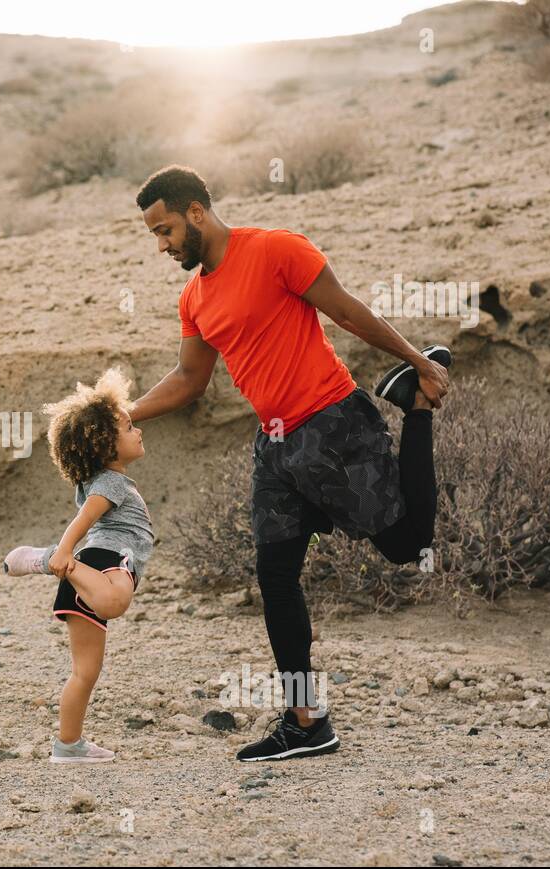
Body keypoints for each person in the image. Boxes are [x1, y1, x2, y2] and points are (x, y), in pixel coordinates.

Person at [129, 164, 451, 762]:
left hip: (333, 424)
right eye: (155, 235)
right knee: (276, 578)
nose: (163, 245)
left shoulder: (277, 249)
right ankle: (307, 721)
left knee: (407, 546)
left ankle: (414, 405)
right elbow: (188, 380)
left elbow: (348, 312)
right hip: (275, 449)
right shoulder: (194, 296)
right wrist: (126, 413)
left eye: (165, 229)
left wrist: (417, 360)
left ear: (196, 211)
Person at [3, 367, 155, 764]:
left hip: (88, 565)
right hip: (101, 561)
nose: (137, 431)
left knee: (85, 672)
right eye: (127, 427)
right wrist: (65, 554)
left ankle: (68, 747)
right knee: (116, 603)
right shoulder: (111, 483)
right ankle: (49, 559)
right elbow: (85, 520)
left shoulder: (97, 479)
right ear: (105, 445)